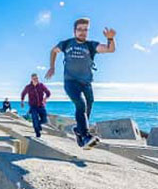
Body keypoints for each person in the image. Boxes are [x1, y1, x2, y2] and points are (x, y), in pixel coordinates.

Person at [45, 17, 115, 147]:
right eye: (79, 29)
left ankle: (78, 130)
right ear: (74, 31)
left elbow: (110, 49)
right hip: (70, 82)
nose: (82, 32)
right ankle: (85, 136)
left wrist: (110, 38)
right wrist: (52, 67)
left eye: (85, 30)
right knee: (80, 104)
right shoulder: (66, 44)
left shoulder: (91, 45)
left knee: (88, 106)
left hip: (86, 83)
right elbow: (53, 51)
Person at [21, 73, 51, 138]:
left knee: (45, 120)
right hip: (33, 106)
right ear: (31, 79)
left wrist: (45, 98)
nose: (36, 80)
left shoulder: (41, 85)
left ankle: (38, 124)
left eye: (37, 78)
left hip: (41, 105)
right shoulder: (28, 87)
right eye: (34, 78)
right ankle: (37, 133)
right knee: (35, 119)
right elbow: (23, 93)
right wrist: (22, 101)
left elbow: (48, 93)